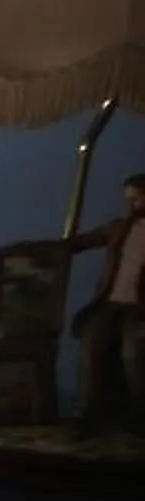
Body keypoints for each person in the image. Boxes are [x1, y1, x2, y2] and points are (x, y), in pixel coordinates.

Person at [66, 172, 145, 427]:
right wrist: (42, 249)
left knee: (133, 354)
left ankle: (140, 416)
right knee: (90, 345)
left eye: (136, 198)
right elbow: (82, 242)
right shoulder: (119, 227)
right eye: (128, 199)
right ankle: (85, 414)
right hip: (111, 303)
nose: (131, 205)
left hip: (140, 308)